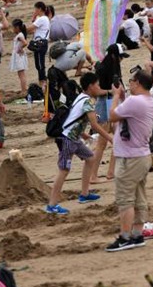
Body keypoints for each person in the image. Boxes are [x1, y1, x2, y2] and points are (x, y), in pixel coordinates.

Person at [46, 74, 113, 215]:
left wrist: (83, 134)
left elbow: (76, 118)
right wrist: (110, 138)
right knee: (64, 170)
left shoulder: (81, 97)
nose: (99, 87)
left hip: (74, 138)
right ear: (90, 86)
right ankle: (52, 205)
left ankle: (84, 193)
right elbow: (94, 124)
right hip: (67, 139)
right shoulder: (87, 101)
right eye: (97, 84)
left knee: (90, 158)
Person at [105, 69, 153, 252]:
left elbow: (112, 116)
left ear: (138, 83)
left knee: (125, 199)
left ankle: (125, 237)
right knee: (139, 197)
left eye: (131, 81)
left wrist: (115, 96)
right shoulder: (150, 102)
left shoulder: (135, 101)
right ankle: (137, 234)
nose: (130, 84)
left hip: (130, 158)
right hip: (142, 155)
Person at [27, 2, 51, 84]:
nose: (34, 11)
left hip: (41, 43)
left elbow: (29, 29)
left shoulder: (42, 19)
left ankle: (43, 81)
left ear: (39, 9)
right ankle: (42, 80)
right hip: (41, 43)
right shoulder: (43, 19)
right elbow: (33, 30)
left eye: (35, 9)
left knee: (40, 64)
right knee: (39, 64)